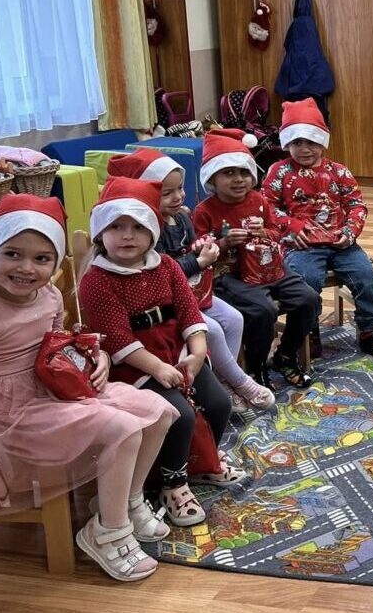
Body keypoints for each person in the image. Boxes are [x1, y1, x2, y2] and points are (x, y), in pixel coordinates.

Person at [0, 194, 176, 581]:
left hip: (50, 389)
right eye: (12, 254)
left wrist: (97, 357)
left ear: (55, 263)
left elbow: (58, 347)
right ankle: (109, 532)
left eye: (41, 258)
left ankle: (126, 502)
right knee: (122, 429)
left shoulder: (50, 295)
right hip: (6, 418)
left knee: (159, 411)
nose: (26, 268)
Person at [79, 177, 244, 529]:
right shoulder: (97, 280)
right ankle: (172, 483)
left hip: (176, 353)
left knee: (219, 403)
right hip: (133, 365)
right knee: (178, 414)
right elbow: (116, 338)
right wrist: (157, 367)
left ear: (153, 230)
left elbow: (189, 312)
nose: (127, 236)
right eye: (116, 227)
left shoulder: (166, 266)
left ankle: (202, 461)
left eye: (138, 227)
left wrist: (197, 353)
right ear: (100, 232)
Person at [108, 148, 275, 417]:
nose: (178, 197)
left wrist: (204, 247)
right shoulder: (147, 231)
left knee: (234, 319)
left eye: (179, 189)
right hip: (170, 301)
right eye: (167, 193)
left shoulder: (182, 218)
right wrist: (198, 261)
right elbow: (164, 271)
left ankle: (223, 381)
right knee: (213, 330)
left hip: (196, 292)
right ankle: (239, 381)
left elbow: (191, 250)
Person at [263, 98, 373, 361]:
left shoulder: (339, 172)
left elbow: (356, 205)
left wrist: (350, 233)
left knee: (366, 276)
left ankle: (369, 330)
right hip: (302, 246)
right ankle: (308, 330)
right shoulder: (279, 172)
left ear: (322, 142)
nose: (305, 149)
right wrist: (290, 228)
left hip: (340, 243)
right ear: (287, 143)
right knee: (306, 281)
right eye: (297, 143)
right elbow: (266, 206)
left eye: (311, 142)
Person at [192, 128, 319, 389]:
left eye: (244, 172)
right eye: (229, 173)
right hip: (230, 275)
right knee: (263, 311)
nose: (239, 180)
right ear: (212, 178)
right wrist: (224, 243)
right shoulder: (204, 211)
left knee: (308, 299)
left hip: (269, 266)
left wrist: (264, 233)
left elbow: (276, 231)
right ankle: (256, 367)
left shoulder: (258, 200)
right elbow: (198, 252)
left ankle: (285, 355)